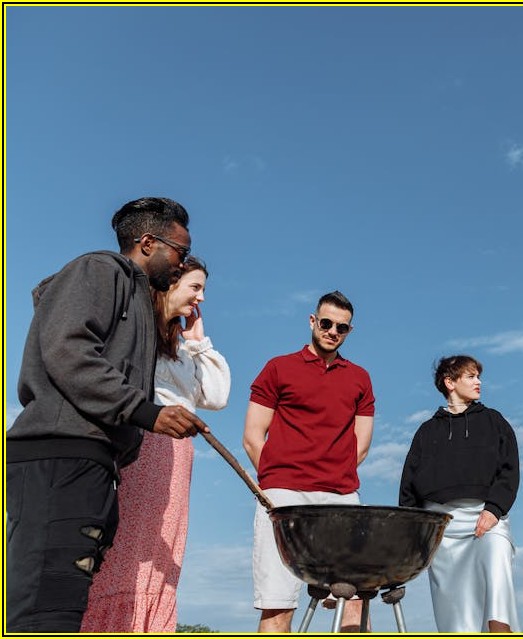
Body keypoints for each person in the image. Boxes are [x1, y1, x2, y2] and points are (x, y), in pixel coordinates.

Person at [5, 197, 208, 632]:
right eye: (181, 252)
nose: (182, 264)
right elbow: (68, 350)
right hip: (58, 456)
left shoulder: (139, 303)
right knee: (41, 603)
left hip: (96, 462)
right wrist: (144, 411)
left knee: (65, 601)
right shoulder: (97, 270)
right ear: (148, 242)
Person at [81, 256, 231, 632]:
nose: (201, 298)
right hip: (144, 443)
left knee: (165, 548)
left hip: (177, 454)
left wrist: (198, 341)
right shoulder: (135, 329)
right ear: (170, 283)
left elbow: (216, 395)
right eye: (195, 287)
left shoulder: (180, 345)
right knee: (130, 548)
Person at [242, 290, 375, 633]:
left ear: (349, 332)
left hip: (341, 496)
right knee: (278, 601)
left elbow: (361, 444)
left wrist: (335, 473)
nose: (333, 331)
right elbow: (253, 435)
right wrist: (276, 482)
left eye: (341, 328)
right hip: (283, 496)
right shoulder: (278, 368)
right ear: (313, 321)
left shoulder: (359, 378)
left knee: (355, 597)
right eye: (327, 323)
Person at [399, 355, 520, 633]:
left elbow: (509, 469)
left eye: (478, 376)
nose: (478, 382)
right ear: (449, 382)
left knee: (498, 594)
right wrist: (416, 534)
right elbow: (409, 487)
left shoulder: (494, 421)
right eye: (470, 376)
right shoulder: (426, 431)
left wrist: (494, 509)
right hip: (442, 530)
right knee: (457, 619)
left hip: (487, 520)